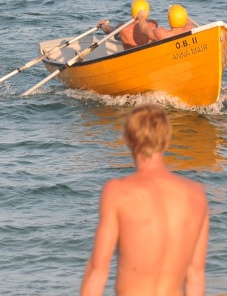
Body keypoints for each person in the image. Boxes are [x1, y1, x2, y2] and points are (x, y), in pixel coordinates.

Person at [80, 104, 209, 296]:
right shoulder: (196, 194)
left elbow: (98, 271)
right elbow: (195, 275)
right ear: (166, 140)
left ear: (128, 140)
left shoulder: (117, 191)